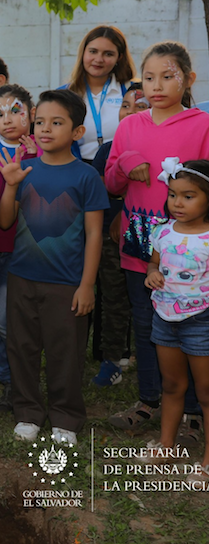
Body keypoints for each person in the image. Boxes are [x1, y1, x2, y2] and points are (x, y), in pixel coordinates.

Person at [105, 41, 209, 447]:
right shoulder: (130, 125)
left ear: (189, 79)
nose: (157, 86)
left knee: (193, 328)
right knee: (147, 324)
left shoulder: (202, 125)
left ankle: (193, 412)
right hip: (139, 247)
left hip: (190, 253)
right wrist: (124, 164)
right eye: (149, 78)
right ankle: (149, 400)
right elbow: (112, 183)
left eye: (168, 76)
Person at [0, 89, 108, 446]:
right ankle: (27, 412)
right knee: (22, 348)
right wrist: (10, 186)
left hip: (67, 284)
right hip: (22, 277)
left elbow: (94, 235)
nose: (45, 129)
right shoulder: (25, 171)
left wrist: (86, 285)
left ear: (77, 132)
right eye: (40, 121)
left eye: (57, 122)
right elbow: (4, 221)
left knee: (66, 352)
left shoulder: (87, 177)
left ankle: (66, 416)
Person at [140, 159, 209, 477]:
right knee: (171, 384)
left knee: (206, 391)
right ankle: (166, 445)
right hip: (164, 318)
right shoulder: (162, 232)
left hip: (201, 321)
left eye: (188, 196)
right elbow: (154, 263)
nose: (177, 203)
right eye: (172, 194)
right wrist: (152, 273)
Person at [0, 84, 41, 411]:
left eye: (16, 111)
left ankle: (24, 381)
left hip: (26, 252)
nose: (8, 119)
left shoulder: (41, 153)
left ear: (31, 114)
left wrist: (35, 157)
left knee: (14, 321)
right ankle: (9, 382)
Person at [89, 84, 148, 395]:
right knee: (113, 298)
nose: (131, 111)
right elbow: (102, 193)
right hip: (111, 238)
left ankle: (150, 359)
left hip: (151, 237)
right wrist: (116, 217)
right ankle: (112, 359)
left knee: (147, 301)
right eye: (125, 105)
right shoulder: (107, 150)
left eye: (140, 105)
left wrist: (125, 216)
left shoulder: (159, 148)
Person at [62, 26, 135, 162]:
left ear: (119, 57)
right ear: (83, 53)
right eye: (93, 51)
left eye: (108, 54)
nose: (99, 59)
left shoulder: (132, 93)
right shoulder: (63, 95)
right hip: (78, 169)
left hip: (121, 168)